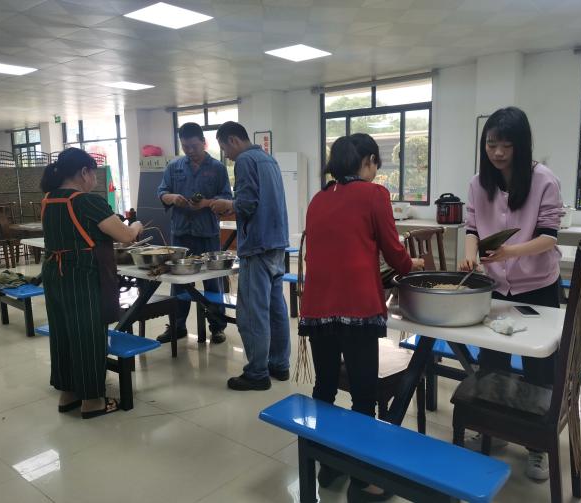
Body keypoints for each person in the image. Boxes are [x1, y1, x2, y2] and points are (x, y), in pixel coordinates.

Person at [299, 134, 424, 501]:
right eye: (375, 165)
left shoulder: (319, 198)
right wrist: (413, 263)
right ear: (368, 160)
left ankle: (327, 466)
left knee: (324, 387)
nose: (375, 172)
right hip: (357, 306)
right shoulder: (375, 195)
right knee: (363, 394)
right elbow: (394, 251)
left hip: (317, 307)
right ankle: (363, 479)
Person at [459, 106, 563, 481]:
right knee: (492, 361)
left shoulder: (544, 180)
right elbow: (472, 228)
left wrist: (509, 253)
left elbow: (549, 237)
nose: (498, 152)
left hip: (538, 286)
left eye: (506, 145)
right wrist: (470, 256)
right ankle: (493, 430)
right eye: (491, 144)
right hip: (496, 287)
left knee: (539, 367)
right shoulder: (478, 183)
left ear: (521, 145)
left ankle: (538, 446)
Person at [40, 148, 143, 418]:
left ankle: (68, 394)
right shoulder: (87, 201)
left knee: (63, 332)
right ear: (84, 172)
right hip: (82, 275)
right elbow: (125, 236)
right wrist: (137, 226)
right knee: (88, 335)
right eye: (94, 175)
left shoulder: (49, 199)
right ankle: (93, 400)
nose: (95, 181)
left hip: (54, 273)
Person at [211, 121, 291, 391]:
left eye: (225, 149)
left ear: (233, 140)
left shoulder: (245, 160)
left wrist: (226, 204)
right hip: (277, 243)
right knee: (276, 309)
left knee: (252, 313)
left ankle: (257, 373)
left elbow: (247, 204)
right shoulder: (269, 160)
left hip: (257, 245)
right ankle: (279, 364)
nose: (227, 155)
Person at [157, 122, 232, 344]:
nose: (190, 151)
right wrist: (173, 198)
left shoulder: (217, 168)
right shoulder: (174, 167)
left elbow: (227, 197)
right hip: (181, 233)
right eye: (185, 147)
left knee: (212, 281)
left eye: (194, 146)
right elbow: (162, 192)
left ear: (203, 142)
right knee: (179, 282)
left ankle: (217, 326)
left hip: (207, 233)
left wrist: (206, 203)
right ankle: (177, 326)